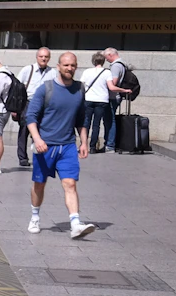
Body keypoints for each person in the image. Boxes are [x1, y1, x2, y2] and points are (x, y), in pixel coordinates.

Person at [24, 52, 95, 240]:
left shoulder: (80, 89)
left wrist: (84, 141)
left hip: (67, 146)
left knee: (70, 183)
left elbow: (82, 119)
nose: (69, 68)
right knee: (39, 184)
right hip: (45, 145)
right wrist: (37, 139)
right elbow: (30, 117)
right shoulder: (45, 89)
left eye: (73, 65)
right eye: (66, 65)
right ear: (58, 66)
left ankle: (75, 224)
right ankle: (35, 216)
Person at [16, 47, 56, 167]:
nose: (43, 59)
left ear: (49, 58)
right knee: (24, 131)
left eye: (46, 57)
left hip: (45, 105)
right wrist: (15, 108)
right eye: (41, 56)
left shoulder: (52, 72)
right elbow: (17, 88)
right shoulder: (28, 70)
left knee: (41, 131)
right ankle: (22, 158)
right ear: (37, 57)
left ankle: (38, 156)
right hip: (29, 103)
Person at [80, 50, 127, 154]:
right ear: (103, 61)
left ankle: (83, 145)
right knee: (96, 124)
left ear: (93, 61)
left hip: (88, 99)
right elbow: (111, 87)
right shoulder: (107, 72)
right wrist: (124, 90)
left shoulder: (87, 71)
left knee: (86, 123)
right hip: (102, 100)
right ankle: (93, 147)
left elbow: (81, 87)